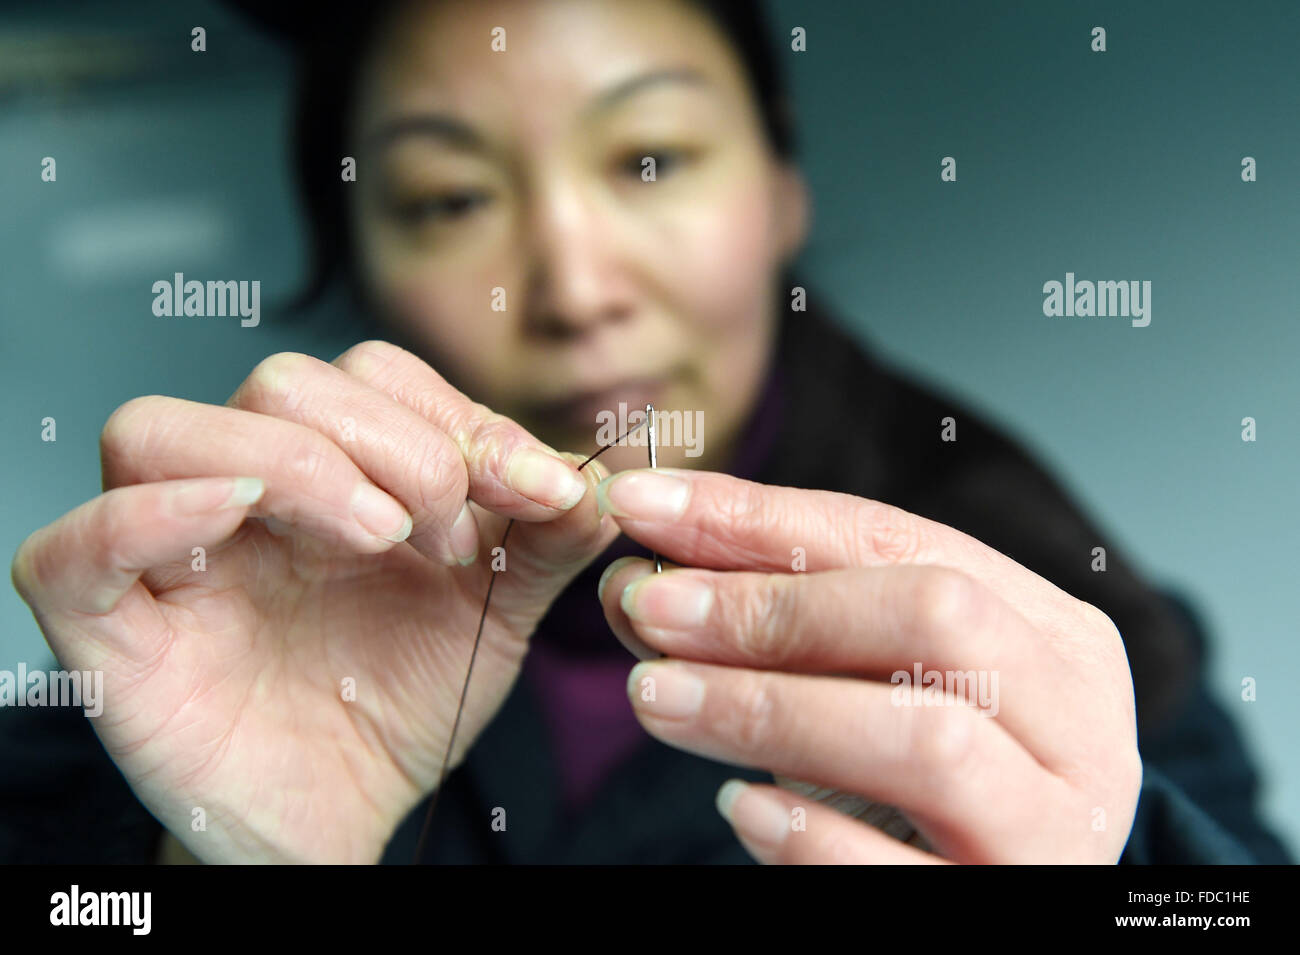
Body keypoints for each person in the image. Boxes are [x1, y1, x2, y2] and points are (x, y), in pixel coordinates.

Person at [4, 0, 1292, 865]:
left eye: (652, 162)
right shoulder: (181, 641)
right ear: (359, 261)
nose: (573, 289)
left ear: (783, 192)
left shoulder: (1069, 630)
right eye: (451, 196)